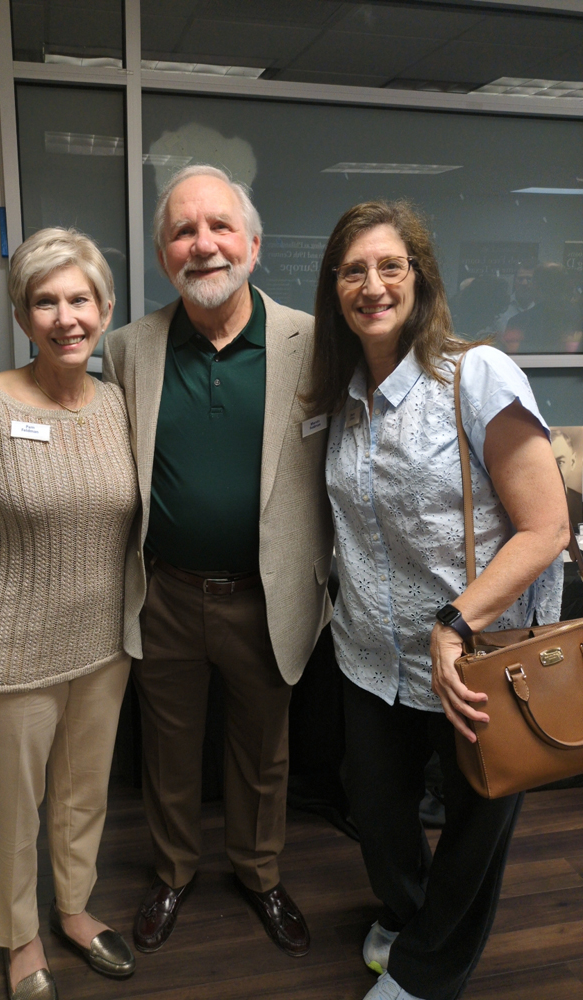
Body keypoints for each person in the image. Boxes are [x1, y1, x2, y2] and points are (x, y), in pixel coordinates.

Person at [309, 200, 568, 1000]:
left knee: (473, 829)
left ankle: (426, 974)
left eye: (391, 266)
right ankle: (412, 913)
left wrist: (456, 622)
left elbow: (546, 524)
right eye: (353, 270)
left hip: (472, 659)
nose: (373, 285)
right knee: (380, 821)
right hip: (368, 654)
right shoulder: (342, 394)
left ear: (420, 277)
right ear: (335, 289)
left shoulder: (476, 375)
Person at [103, 164, 334, 959]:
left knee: (263, 750)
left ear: (254, 244)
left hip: (267, 596)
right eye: (182, 231)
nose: (202, 245)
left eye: (219, 226)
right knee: (167, 749)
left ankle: (260, 873)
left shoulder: (312, 341)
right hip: (164, 592)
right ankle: (171, 872)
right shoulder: (128, 348)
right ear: (165, 254)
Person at [0, 228, 139, 1000]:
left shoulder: (118, 405)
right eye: (45, 301)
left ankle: (75, 910)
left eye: (80, 299)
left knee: (85, 796)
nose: (65, 317)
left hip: (104, 648)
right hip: (8, 654)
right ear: (23, 315)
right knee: (13, 811)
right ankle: (20, 936)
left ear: (105, 308)